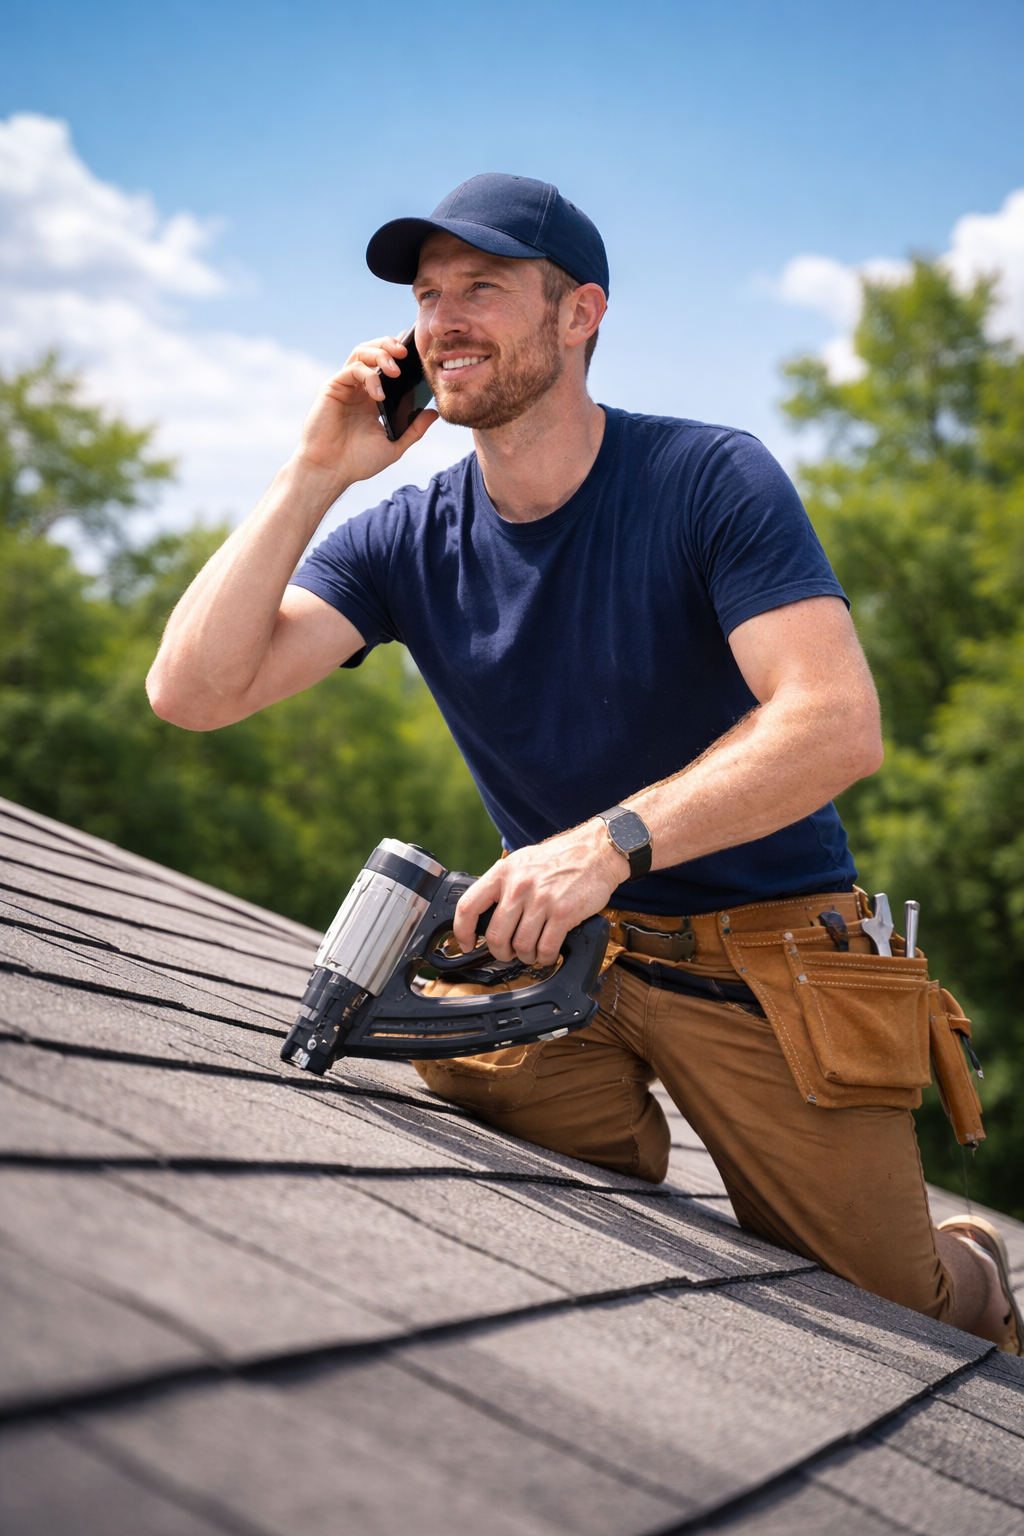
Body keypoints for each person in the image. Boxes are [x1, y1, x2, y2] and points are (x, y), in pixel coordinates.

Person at [147, 173, 1021, 1354]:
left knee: (884, 1306)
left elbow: (834, 722)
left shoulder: (707, 479)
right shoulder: (407, 534)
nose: (443, 319)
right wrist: (314, 475)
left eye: (485, 289)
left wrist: (605, 845)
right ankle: (623, 1122)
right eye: (427, 294)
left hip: (762, 959)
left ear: (579, 313)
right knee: (534, 1143)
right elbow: (195, 691)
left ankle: (972, 1267)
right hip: (550, 957)